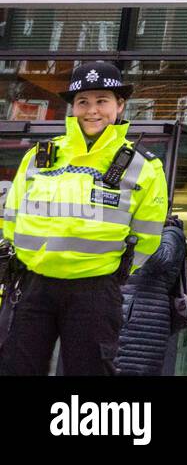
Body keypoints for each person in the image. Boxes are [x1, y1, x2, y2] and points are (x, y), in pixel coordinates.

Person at [0, 61, 168, 375]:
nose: (92, 110)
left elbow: (147, 236)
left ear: (120, 106)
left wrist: (110, 272)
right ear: (73, 108)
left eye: (102, 101)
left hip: (95, 289)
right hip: (35, 284)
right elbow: (12, 216)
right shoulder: (38, 156)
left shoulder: (143, 166)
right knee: (17, 367)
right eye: (83, 102)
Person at [117, 215, 187, 376]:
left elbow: (162, 259)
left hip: (143, 321)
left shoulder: (172, 233)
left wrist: (132, 234)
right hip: (131, 317)